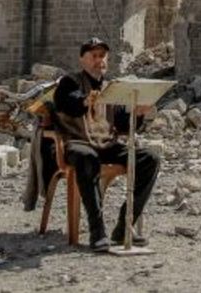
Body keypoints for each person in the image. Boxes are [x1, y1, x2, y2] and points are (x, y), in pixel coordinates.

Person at [52, 36, 161, 251]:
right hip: (79, 142)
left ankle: (124, 226)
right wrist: (86, 101)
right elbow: (68, 104)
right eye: (93, 56)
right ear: (82, 59)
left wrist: (136, 113)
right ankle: (97, 230)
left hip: (107, 145)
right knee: (87, 157)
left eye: (102, 56)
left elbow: (122, 123)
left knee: (149, 158)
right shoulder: (69, 82)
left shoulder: (112, 88)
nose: (98, 60)